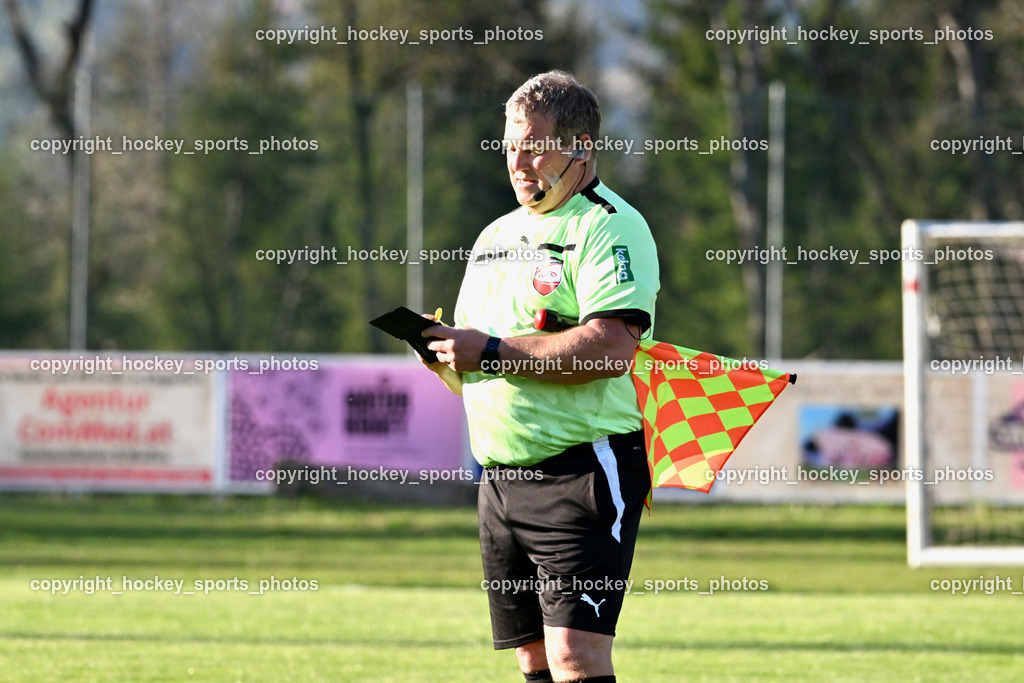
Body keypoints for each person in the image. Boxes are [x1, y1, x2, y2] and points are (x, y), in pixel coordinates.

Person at [422, 70, 659, 683]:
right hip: (500, 480)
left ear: (582, 146)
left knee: (574, 657)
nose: (519, 161)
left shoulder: (609, 226)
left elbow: (609, 349)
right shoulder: (494, 237)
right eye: (509, 146)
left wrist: (491, 352)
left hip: (583, 469)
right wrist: (444, 357)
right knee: (531, 659)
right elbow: (479, 369)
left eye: (535, 145)